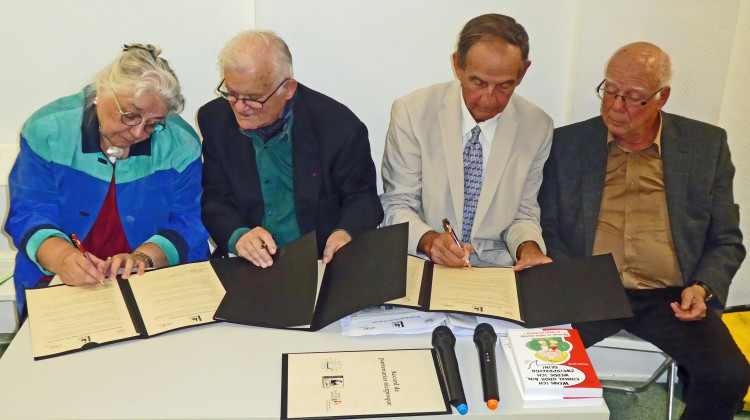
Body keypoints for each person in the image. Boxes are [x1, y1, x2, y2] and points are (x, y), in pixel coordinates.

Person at [538, 42, 750, 419]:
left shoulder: (705, 146)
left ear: (661, 98)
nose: (615, 106)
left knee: (729, 375)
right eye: (610, 91)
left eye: (632, 97)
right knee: (530, 356)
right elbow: (548, 227)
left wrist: (703, 288)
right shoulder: (567, 144)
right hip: (591, 287)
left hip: (671, 296)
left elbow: (727, 240)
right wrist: (573, 279)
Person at [5, 44, 209, 315]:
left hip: (153, 278)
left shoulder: (179, 143)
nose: (139, 132)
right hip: (60, 279)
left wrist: (143, 257)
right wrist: (63, 258)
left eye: (152, 123)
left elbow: (192, 218)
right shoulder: (49, 130)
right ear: (102, 92)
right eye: (131, 115)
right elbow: (29, 212)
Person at [380, 14, 553, 270]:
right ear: (457, 66)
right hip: (428, 263)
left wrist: (529, 249)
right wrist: (430, 241)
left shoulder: (537, 126)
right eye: (478, 82)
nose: (489, 99)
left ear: (522, 73)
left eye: (504, 86)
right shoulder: (412, 113)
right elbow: (397, 204)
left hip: (498, 269)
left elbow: (524, 214)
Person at [199, 31, 382, 267]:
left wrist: (345, 233)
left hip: (319, 261)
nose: (240, 107)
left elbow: (363, 199)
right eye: (232, 94)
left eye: (253, 98)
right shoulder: (214, 119)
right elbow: (215, 198)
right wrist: (239, 236)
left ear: (288, 89)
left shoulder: (339, 127)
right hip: (249, 264)